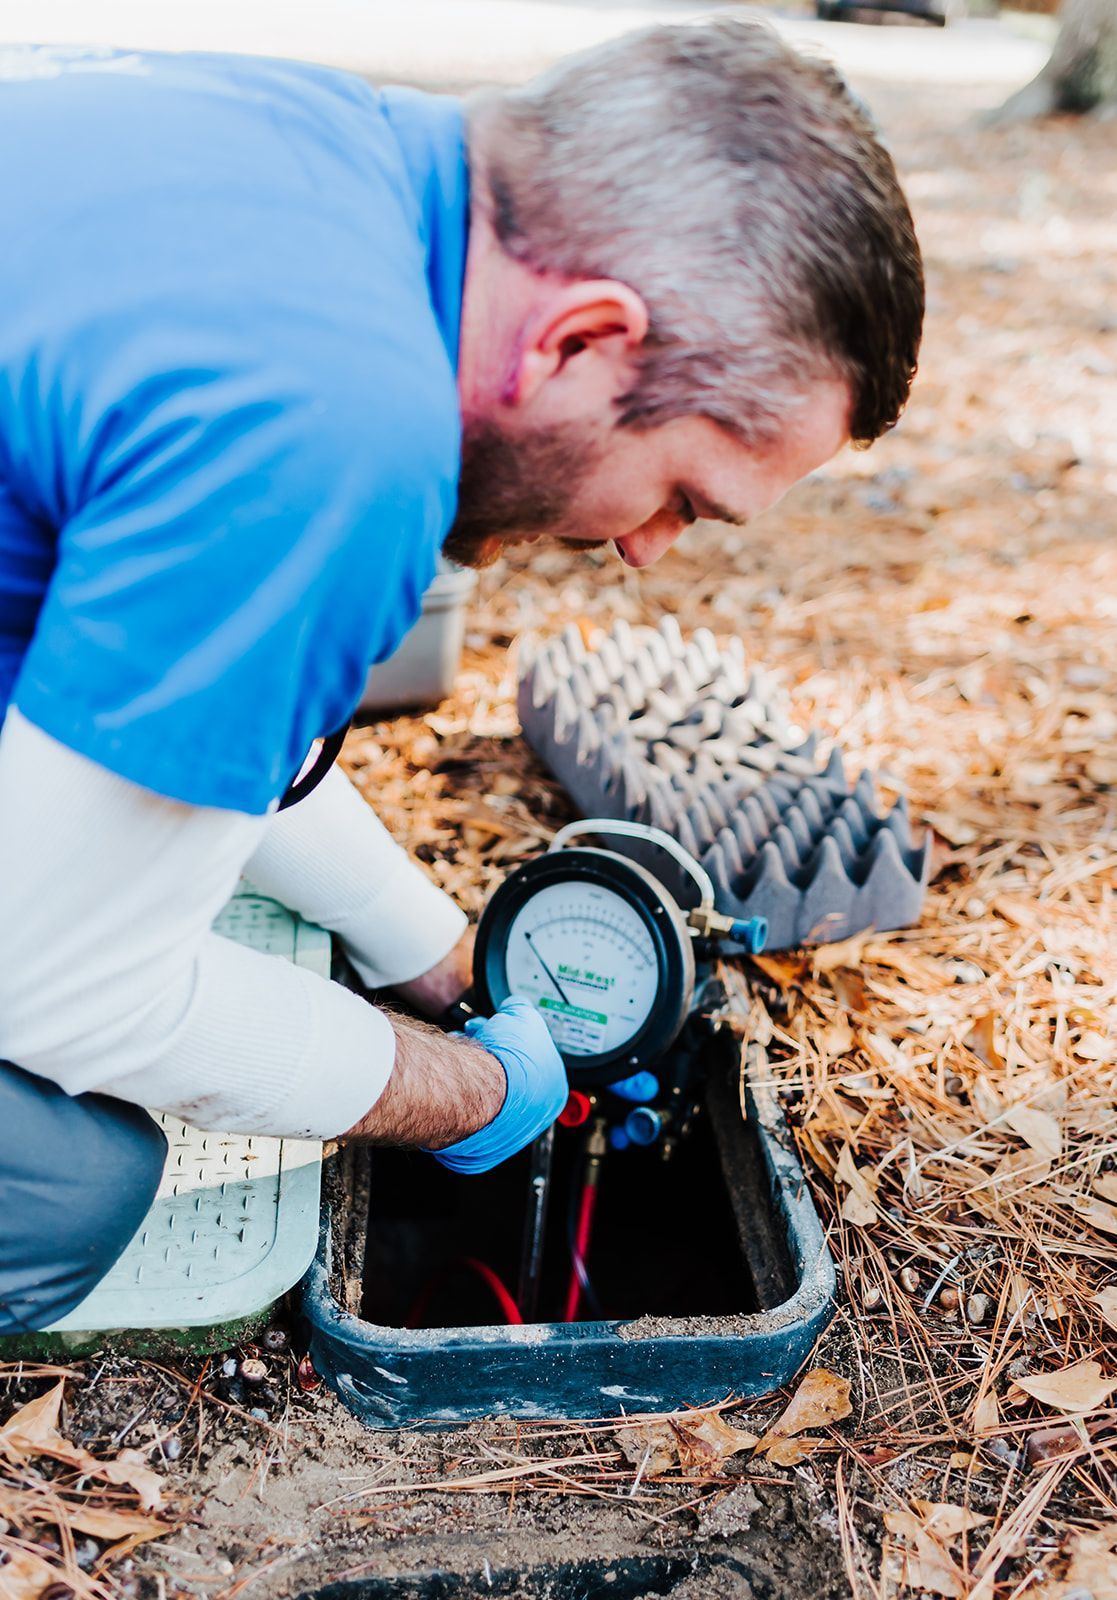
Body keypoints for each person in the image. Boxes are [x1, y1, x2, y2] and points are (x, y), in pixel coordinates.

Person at [0, 20, 923, 1332]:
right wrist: (465, 1097)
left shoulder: (318, 143)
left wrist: (437, 956)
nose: (644, 552)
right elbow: (64, 989)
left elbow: (168, 716)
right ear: (578, 343)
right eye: (681, 497)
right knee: (61, 1180)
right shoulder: (335, 438)